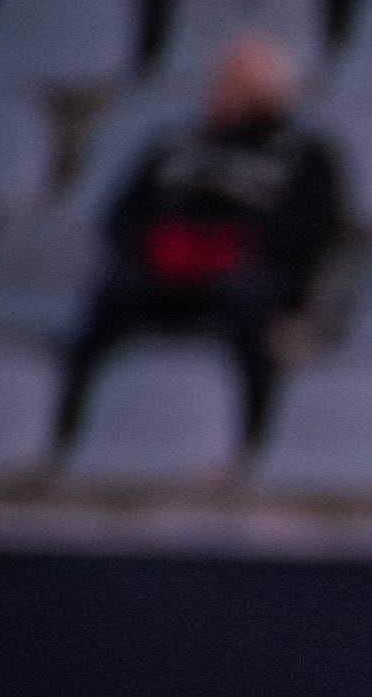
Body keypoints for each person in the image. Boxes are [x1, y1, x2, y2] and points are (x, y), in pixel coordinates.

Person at [72, 33, 343, 433]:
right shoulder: (173, 147)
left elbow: (312, 231)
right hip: (164, 270)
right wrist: (162, 247)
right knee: (108, 300)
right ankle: (74, 428)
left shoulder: (306, 157)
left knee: (252, 308)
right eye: (220, 82)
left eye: (234, 84)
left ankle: (253, 435)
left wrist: (233, 249)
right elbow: (122, 217)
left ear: (268, 93)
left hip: (245, 274)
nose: (218, 92)